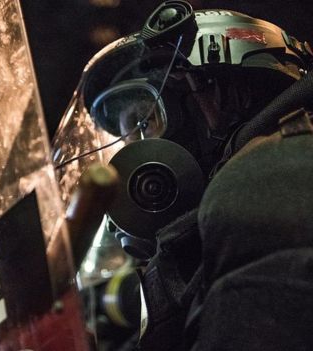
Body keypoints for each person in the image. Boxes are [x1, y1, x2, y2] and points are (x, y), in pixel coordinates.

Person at [51, 1, 313, 349]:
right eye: (126, 136)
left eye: (144, 122)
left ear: (221, 96)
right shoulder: (206, 240)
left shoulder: (268, 180)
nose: (128, 154)